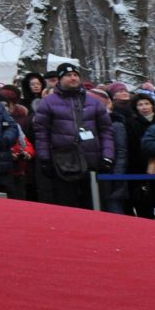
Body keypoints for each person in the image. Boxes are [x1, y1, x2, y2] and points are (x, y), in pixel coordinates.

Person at [30, 64, 113, 208]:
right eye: (68, 75)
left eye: (75, 75)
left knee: (94, 206)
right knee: (68, 206)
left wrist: (107, 155)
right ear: (60, 79)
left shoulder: (94, 102)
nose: (73, 78)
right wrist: (45, 159)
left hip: (91, 162)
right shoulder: (48, 103)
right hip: (64, 164)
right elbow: (42, 133)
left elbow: (106, 130)